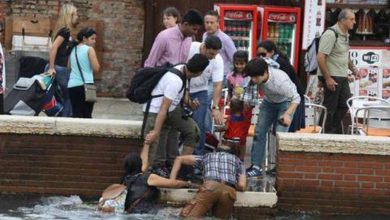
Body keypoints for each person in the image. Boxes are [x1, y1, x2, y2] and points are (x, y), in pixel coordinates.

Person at [144, 9, 203, 174]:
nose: (195, 33)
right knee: (160, 129)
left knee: (174, 130)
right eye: (194, 29)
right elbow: (150, 64)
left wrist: (186, 97)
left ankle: (175, 167)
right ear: (184, 24)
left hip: (177, 88)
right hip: (161, 86)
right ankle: (156, 167)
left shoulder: (189, 39)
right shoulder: (164, 36)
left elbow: (183, 69)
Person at [142, 54, 209, 174]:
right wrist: (156, 132)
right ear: (200, 72)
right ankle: (148, 173)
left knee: (193, 132)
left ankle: (182, 167)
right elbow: (163, 108)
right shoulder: (175, 80)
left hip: (173, 109)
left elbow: (182, 96)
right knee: (153, 144)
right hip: (156, 111)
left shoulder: (185, 71)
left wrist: (190, 104)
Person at [244, 58, 300, 177]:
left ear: (265, 72)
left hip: (286, 102)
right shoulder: (257, 75)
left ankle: (280, 167)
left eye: (256, 77)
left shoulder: (280, 81)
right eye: (252, 77)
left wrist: (287, 114)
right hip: (269, 102)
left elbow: (296, 98)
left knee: (280, 136)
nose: (253, 80)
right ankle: (256, 166)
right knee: (259, 132)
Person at [170, 139, 246, 219]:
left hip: (210, 186)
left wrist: (172, 181)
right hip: (229, 192)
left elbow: (179, 159)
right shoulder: (239, 162)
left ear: (215, 151)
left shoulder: (207, 156)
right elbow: (242, 186)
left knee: (188, 216)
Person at [98, 152, 193, 213]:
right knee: (183, 212)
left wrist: (147, 144)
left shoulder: (125, 180)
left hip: (131, 213)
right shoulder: (147, 177)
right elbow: (173, 184)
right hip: (146, 212)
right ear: (140, 164)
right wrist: (187, 183)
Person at [317, 8, 360, 134]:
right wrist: (327, 78)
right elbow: (320, 57)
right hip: (332, 75)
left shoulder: (345, 35)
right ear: (342, 20)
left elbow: (345, 55)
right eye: (352, 19)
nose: (354, 22)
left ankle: (333, 129)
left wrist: (353, 68)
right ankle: (324, 132)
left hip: (342, 75)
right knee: (330, 107)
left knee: (346, 102)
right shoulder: (331, 34)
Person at [256, 40, 305, 132]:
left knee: (285, 131)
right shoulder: (270, 63)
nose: (260, 57)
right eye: (258, 55)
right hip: (282, 98)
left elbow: (285, 84)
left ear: (272, 52)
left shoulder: (280, 63)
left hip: (291, 98)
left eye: (263, 54)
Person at [187, 35, 224, 156]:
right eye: (211, 54)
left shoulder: (217, 59)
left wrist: (215, 107)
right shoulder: (190, 48)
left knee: (199, 124)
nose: (213, 57)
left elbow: (217, 85)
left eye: (215, 54)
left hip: (200, 91)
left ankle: (198, 156)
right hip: (182, 88)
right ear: (203, 47)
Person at [202, 10, 237, 134]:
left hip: (221, 77)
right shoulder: (205, 36)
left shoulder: (225, 39)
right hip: (206, 75)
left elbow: (235, 59)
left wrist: (234, 79)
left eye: (212, 22)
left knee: (204, 99)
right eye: (207, 22)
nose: (209, 25)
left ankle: (206, 133)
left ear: (218, 23)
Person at [47, 3, 79, 117]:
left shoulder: (65, 31)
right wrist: (51, 67)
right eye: (75, 15)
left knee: (54, 95)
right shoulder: (65, 31)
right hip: (60, 68)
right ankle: (65, 121)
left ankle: (58, 116)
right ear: (69, 16)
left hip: (59, 67)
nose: (77, 17)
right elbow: (54, 47)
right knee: (69, 96)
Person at [68, 28, 100, 118]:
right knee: (87, 115)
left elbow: (69, 67)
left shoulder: (73, 49)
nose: (94, 41)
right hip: (86, 86)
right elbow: (96, 68)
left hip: (72, 85)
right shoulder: (89, 49)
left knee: (76, 114)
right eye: (92, 38)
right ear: (84, 38)